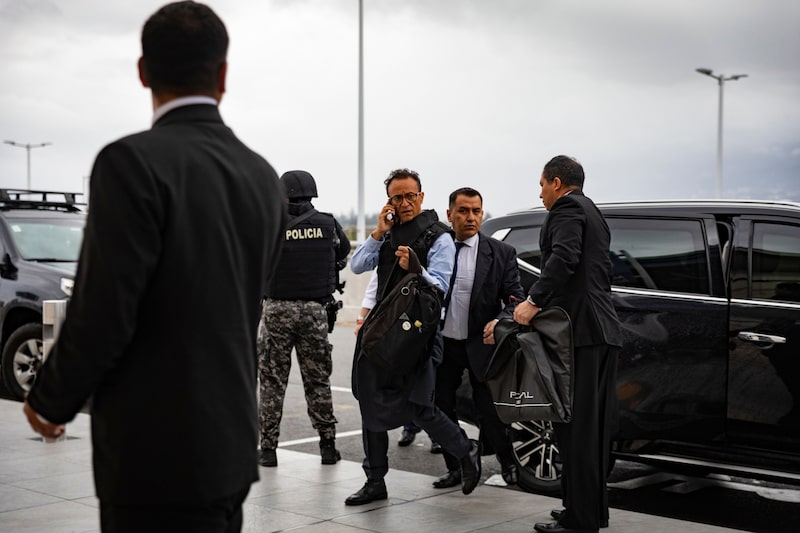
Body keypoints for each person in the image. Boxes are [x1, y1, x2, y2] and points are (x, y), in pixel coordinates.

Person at [22, 3, 286, 532]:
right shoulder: (262, 176)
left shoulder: (130, 163)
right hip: (229, 445)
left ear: (143, 70)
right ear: (223, 75)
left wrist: (51, 399)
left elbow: (105, 309)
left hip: (153, 453)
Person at [345, 168, 481, 505]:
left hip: (419, 335)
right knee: (370, 403)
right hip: (381, 332)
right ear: (389, 200)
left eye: (410, 196)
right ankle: (375, 480)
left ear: (421, 196)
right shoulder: (389, 232)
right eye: (397, 197)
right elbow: (358, 266)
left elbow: (441, 287)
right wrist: (378, 232)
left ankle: (466, 451)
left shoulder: (440, 237)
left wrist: (416, 269)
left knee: (422, 407)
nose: (404, 203)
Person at [513, 156, 622, 533]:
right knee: (588, 431)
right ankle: (587, 511)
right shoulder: (592, 210)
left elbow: (563, 258)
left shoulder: (567, 207)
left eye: (542, 185)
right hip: (599, 330)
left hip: (582, 334)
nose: (540, 193)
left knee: (576, 430)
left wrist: (533, 301)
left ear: (556, 183)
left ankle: (580, 520)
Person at [432, 187, 525, 489]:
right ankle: (457, 465)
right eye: (463, 211)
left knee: (490, 410)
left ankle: (507, 459)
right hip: (443, 344)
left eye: (476, 211)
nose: (471, 217)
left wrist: (500, 320)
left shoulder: (500, 253)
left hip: (480, 344)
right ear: (450, 215)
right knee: (440, 407)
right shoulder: (435, 249)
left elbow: (515, 299)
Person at [257, 170, 350, 467]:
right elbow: (343, 255)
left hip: (276, 311)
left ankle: (268, 449)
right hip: (315, 311)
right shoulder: (328, 223)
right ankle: (327, 445)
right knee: (317, 380)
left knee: (272, 381)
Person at [357, 272, 438, 451]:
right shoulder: (387, 247)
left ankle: (437, 435)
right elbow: (371, 281)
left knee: (423, 389)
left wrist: (418, 269)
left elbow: (440, 287)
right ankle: (409, 428)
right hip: (389, 326)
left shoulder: (436, 245)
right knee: (389, 388)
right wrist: (361, 318)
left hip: (423, 325)